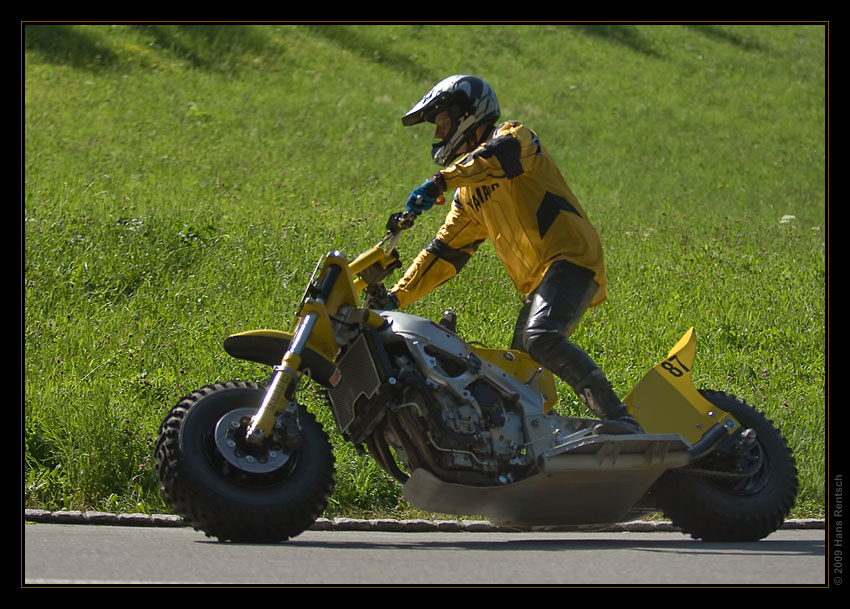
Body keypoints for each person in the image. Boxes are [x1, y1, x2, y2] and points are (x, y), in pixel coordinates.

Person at [387, 75, 640, 434]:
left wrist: (441, 181)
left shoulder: (516, 138)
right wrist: (395, 297)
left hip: (571, 257)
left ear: (467, 115)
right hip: (539, 283)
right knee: (516, 378)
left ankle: (621, 421)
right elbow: (443, 253)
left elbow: (496, 158)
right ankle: (544, 444)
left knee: (541, 338)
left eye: (443, 122)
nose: (439, 133)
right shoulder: (467, 197)